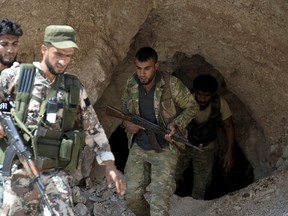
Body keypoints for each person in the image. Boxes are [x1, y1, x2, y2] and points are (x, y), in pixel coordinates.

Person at [0, 25, 125, 215]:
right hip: (19, 171)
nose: (62, 61)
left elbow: (93, 128)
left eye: (68, 56)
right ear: (44, 49)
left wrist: (109, 164)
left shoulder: (73, 88)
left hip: (55, 174)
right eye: (58, 54)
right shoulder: (16, 76)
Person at [121, 46, 199, 216]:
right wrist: (127, 124)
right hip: (139, 146)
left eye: (147, 68)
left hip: (165, 148)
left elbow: (192, 107)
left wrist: (176, 124)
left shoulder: (172, 84)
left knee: (159, 203)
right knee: (131, 197)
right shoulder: (131, 83)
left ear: (156, 66)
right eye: (139, 68)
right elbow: (124, 113)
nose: (142, 74)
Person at [175, 74, 235, 200]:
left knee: (202, 183)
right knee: (172, 175)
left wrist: (229, 152)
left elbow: (229, 126)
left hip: (206, 147)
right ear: (195, 92)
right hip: (184, 143)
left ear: (212, 94)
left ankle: (195, 210)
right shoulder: (186, 99)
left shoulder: (220, 104)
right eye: (200, 94)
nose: (202, 99)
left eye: (207, 95)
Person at [0, 18, 23, 210]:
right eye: (4, 44)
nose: (10, 50)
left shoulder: (23, 75)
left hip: (18, 161)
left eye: (14, 44)